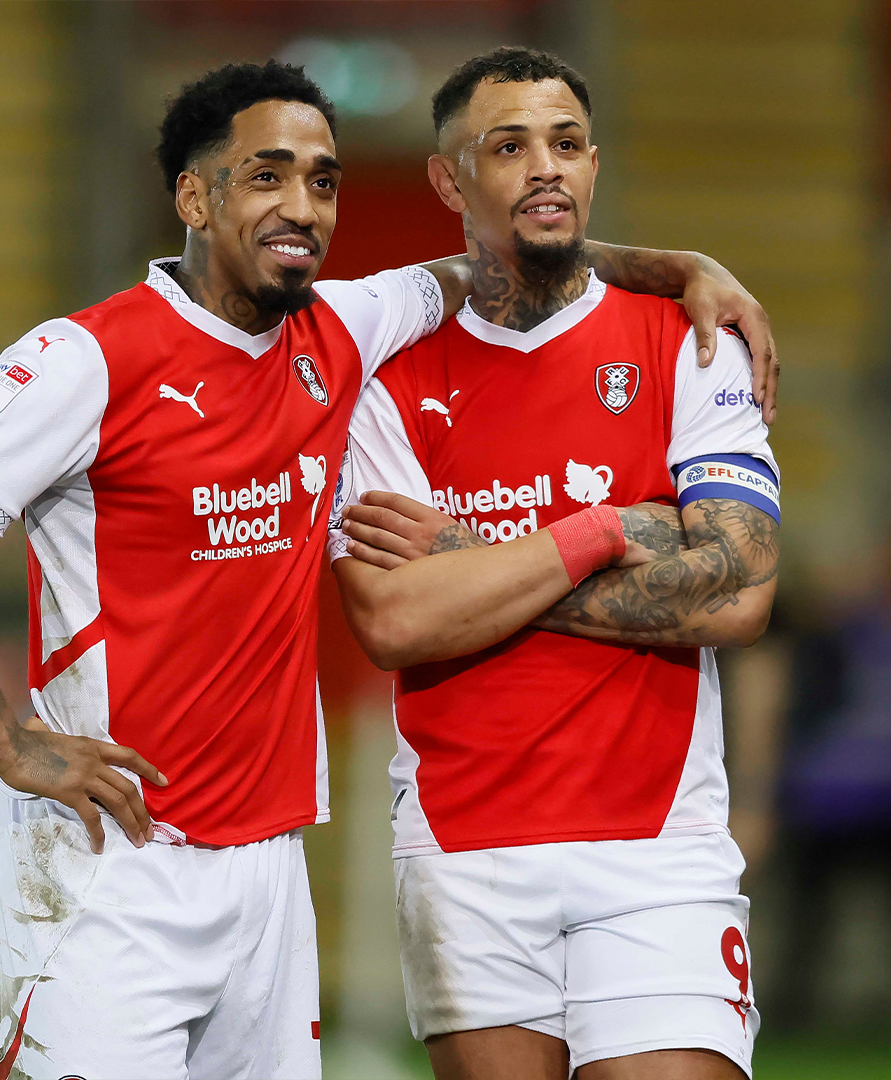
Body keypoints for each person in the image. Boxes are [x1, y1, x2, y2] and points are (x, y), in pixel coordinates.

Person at [0, 59, 775, 1080]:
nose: (301, 206)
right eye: (266, 176)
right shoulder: (89, 358)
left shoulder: (343, 330)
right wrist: (8, 739)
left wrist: (683, 267)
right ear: (193, 196)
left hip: (267, 865)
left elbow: (505, 257)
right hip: (111, 851)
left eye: (323, 181)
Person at [329, 48, 780, 1080]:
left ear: (593, 166)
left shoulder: (689, 340)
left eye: (567, 144)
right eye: (510, 146)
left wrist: (474, 566)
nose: (546, 167)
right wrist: (608, 528)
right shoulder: (382, 379)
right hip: (462, 846)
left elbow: (744, 585)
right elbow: (398, 622)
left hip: (657, 846)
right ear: (450, 181)